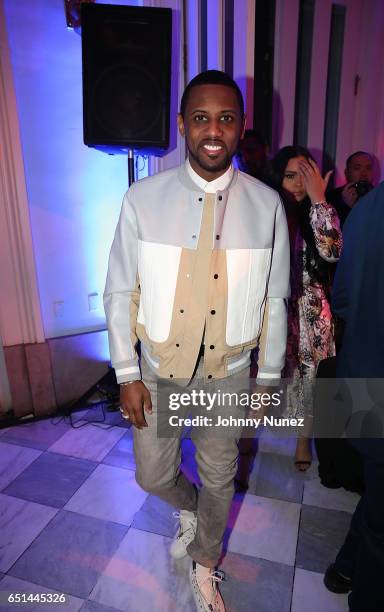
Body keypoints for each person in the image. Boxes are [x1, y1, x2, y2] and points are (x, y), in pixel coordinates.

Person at [103, 70, 290, 612]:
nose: (214, 130)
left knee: (220, 478)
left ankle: (206, 563)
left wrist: (271, 378)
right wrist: (126, 373)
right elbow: (120, 290)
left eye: (227, 119)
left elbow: (274, 301)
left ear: (241, 128)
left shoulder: (266, 206)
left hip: (228, 373)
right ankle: (190, 510)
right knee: (152, 475)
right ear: (183, 124)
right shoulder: (143, 199)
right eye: (202, 117)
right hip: (159, 369)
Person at [324, 161, 384, 612]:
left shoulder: (370, 205)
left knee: (380, 494)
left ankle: (345, 567)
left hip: (361, 387)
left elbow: (343, 302)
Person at [270, 146, 342, 470]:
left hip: (313, 311)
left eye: (305, 176)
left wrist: (318, 200)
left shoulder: (322, 209)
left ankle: (302, 440)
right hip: (272, 309)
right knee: (261, 376)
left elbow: (332, 252)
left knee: (308, 381)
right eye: (290, 176)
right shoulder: (267, 209)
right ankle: (242, 440)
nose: (298, 184)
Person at [326, 151, 375, 227]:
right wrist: (346, 206)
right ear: (347, 172)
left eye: (368, 168)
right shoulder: (332, 197)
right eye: (357, 168)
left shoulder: (380, 197)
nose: (364, 173)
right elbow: (331, 233)